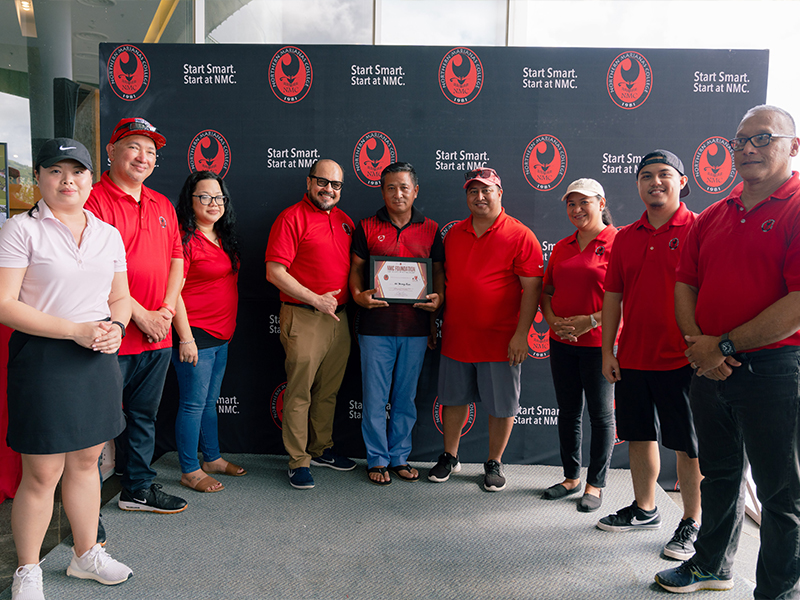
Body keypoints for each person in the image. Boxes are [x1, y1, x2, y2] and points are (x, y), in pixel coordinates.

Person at [656, 106, 800, 597]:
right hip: (710, 369)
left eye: (763, 138)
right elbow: (684, 285)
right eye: (740, 141)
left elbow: (797, 304)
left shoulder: (798, 207)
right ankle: (711, 566)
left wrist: (722, 345)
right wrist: (702, 350)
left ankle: (776, 591)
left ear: (793, 147)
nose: (748, 149)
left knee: (782, 494)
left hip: (776, 369)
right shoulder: (716, 212)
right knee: (718, 474)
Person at [1, 139, 133, 600]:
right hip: (42, 360)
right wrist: (73, 330)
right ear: (38, 177)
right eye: (55, 171)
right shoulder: (20, 229)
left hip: (96, 358)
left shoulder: (107, 233)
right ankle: (28, 569)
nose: (67, 181)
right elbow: (4, 304)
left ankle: (85, 555)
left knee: (85, 462)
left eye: (76, 172)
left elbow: (120, 297)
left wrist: (115, 326)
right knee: (40, 475)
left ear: (91, 179)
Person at [598, 150, 703, 562]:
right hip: (634, 357)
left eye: (664, 175)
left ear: (682, 182)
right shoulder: (624, 236)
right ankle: (645, 509)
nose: (655, 182)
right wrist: (608, 348)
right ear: (637, 185)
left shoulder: (700, 229)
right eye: (645, 176)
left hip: (685, 359)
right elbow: (612, 296)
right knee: (639, 436)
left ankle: (691, 522)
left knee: (688, 447)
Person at [84, 118, 187, 514]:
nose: (143, 157)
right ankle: (85, 504)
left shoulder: (162, 204)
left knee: (144, 416)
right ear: (111, 151)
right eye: (134, 147)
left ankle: (138, 488)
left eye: (151, 152)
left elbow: (178, 259)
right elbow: (93, 269)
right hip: (112, 332)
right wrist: (138, 314)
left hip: (157, 334)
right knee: (99, 423)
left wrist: (164, 310)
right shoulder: (93, 201)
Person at [428, 168, 543, 492]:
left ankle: (493, 461)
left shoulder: (521, 235)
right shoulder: (454, 234)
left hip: (500, 339)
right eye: (473, 191)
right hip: (457, 335)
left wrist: (521, 335)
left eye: (486, 190)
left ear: (499, 193)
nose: (479, 197)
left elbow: (532, 290)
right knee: (452, 400)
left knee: (502, 405)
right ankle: (450, 455)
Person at [349, 162, 444, 485]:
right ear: (382, 190)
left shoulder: (431, 229)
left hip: (415, 329)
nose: (398, 194)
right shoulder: (366, 226)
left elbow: (439, 273)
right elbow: (355, 270)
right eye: (391, 187)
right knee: (375, 397)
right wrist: (358, 296)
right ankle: (376, 459)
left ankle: (400, 457)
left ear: (415, 191)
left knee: (405, 397)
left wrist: (439, 300)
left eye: (404, 187)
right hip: (375, 327)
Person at [266, 159, 357, 489]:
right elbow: (275, 272)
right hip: (303, 316)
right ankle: (298, 459)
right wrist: (315, 298)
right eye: (322, 182)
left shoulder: (346, 222)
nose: (328, 189)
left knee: (328, 392)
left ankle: (321, 449)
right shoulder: (291, 218)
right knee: (300, 391)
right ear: (309, 182)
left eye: (335, 185)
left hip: (340, 318)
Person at [540, 178, 616, 512]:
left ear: (601, 203)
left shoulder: (618, 241)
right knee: (569, 411)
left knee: (600, 416)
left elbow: (627, 297)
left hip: (600, 343)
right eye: (571, 203)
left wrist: (592, 320)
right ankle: (571, 477)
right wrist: (552, 320)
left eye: (583, 202)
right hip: (562, 342)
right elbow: (547, 293)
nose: (577, 209)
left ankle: (595, 484)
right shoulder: (562, 246)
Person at [171, 171, 245, 494]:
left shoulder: (223, 236)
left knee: (209, 402)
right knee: (192, 404)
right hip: (196, 335)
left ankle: (211, 458)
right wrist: (185, 338)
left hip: (222, 335)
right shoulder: (185, 240)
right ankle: (189, 468)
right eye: (204, 197)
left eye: (219, 197)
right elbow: (173, 291)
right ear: (190, 201)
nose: (213, 203)